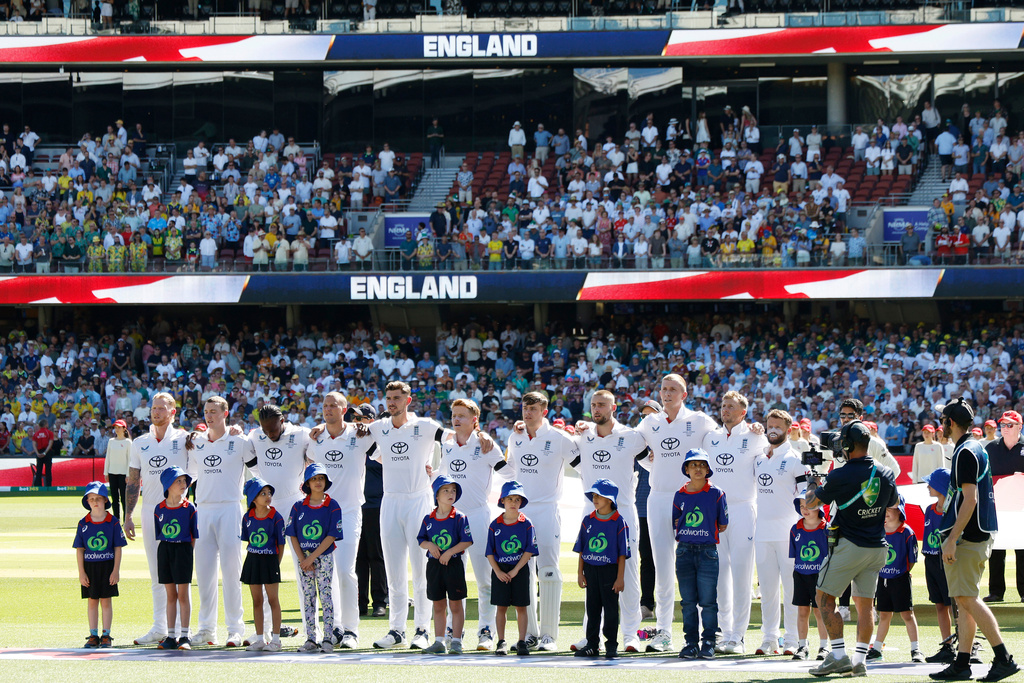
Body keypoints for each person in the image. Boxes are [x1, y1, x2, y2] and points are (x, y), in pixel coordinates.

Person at [931, 398, 1019, 682]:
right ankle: (963, 662)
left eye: (943, 420)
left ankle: (1003, 657)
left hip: (969, 535)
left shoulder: (965, 452)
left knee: (966, 598)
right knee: (965, 598)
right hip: (978, 534)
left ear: (951, 423)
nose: (941, 425)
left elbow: (970, 499)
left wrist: (952, 538)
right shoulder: (975, 448)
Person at [805, 419, 898, 678]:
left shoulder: (841, 473)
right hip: (877, 547)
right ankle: (859, 661)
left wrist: (812, 482)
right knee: (865, 604)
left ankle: (837, 656)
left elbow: (812, 504)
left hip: (849, 545)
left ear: (846, 444)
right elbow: (892, 502)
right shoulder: (885, 472)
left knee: (823, 597)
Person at [635, 373, 718, 653]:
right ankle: (664, 632)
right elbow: (630, 446)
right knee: (662, 566)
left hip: (691, 500)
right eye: (663, 389)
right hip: (658, 497)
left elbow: (722, 443)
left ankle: (711, 631)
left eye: (673, 389)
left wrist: (753, 429)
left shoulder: (699, 420)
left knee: (696, 566)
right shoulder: (650, 422)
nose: (667, 393)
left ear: (684, 394)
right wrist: (651, 464)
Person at [569, 390, 646, 653]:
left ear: (614, 407)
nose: (596, 409)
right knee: (593, 571)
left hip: (623, 511)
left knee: (630, 571)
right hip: (591, 511)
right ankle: (590, 636)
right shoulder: (583, 435)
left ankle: (631, 634)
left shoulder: (631, 436)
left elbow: (653, 461)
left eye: (602, 404)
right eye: (593, 405)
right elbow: (557, 439)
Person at [506, 390, 580, 651]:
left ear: (544, 411)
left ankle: (549, 635)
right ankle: (530, 634)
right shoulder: (515, 436)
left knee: (548, 571)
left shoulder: (559, 438)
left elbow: (584, 464)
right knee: (523, 572)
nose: (528, 413)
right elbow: (510, 471)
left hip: (547, 510)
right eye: (525, 408)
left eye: (534, 409)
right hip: (521, 513)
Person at [437, 398, 508, 651]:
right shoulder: (446, 445)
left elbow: (509, 473)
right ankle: (453, 631)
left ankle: (486, 630)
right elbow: (441, 475)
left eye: (462, 416)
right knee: (452, 578)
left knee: (485, 577)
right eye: (454, 415)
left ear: (474, 419)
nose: (456, 419)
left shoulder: (486, 445)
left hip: (478, 516)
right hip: (451, 519)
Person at [702, 390, 768, 655]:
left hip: (742, 509)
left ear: (743, 412)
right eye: (722, 405)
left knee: (742, 575)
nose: (724, 409)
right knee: (719, 576)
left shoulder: (755, 436)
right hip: (713, 512)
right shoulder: (711, 437)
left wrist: (760, 428)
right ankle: (725, 632)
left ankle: (738, 636)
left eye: (730, 406)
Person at [307, 391, 374, 649]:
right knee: (326, 573)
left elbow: (384, 450)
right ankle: (332, 628)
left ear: (344, 408)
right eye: (325, 405)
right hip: (321, 514)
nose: (328, 409)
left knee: (346, 571)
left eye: (334, 405)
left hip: (348, 511)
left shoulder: (360, 434)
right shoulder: (315, 438)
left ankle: (351, 630)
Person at [124, 393, 191, 646]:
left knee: (181, 575)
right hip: (150, 511)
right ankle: (160, 627)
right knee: (157, 572)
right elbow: (133, 481)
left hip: (178, 511)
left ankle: (183, 630)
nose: (156, 412)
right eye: (154, 408)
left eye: (162, 408)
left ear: (173, 412)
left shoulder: (185, 438)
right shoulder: (140, 442)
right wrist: (128, 515)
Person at [190, 396, 248, 648]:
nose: (209, 416)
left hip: (230, 509)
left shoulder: (239, 441)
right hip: (202, 510)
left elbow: (258, 470)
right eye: (206, 412)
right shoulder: (195, 443)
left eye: (214, 411)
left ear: (225, 413)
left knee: (232, 572)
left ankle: (235, 629)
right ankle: (206, 629)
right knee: (204, 573)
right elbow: (187, 476)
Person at [754, 409, 810, 656]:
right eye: (769, 425)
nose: (772, 429)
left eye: (778, 426)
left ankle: (792, 639)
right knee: (767, 590)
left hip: (789, 533)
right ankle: (769, 638)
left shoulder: (796, 459)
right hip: (762, 532)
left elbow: (807, 494)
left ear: (788, 429)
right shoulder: (758, 458)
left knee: (791, 589)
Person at [672, 448, 728, 660]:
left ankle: (708, 642)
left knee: (708, 601)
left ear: (708, 470)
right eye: (693, 465)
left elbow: (722, 524)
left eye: (702, 464)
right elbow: (676, 521)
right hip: (685, 551)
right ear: (686, 469)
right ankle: (690, 642)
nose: (698, 468)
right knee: (687, 601)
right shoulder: (679, 494)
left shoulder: (716, 493)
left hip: (707, 552)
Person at [287, 463, 342, 654]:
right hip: (303, 560)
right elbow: (292, 534)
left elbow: (331, 536)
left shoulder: (333, 505)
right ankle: (311, 638)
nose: (318, 482)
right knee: (308, 597)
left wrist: (312, 559)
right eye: (313, 479)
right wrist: (303, 559)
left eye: (321, 478)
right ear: (307, 483)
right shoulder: (298, 506)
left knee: (326, 596)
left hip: (324, 558)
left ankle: (328, 638)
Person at [417, 474, 474, 655]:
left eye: (453, 490)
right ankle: (439, 641)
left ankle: (456, 641)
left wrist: (449, 552)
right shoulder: (429, 519)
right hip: (434, 567)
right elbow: (421, 540)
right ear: (436, 495)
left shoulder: (459, 517)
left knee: (455, 605)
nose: (451, 494)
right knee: (438, 605)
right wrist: (430, 545)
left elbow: (467, 541)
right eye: (446, 490)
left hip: (454, 565)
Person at [573, 478, 629, 659]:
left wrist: (620, 578)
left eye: (600, 496)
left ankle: (611, 644)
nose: (595, 499)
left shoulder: (619, 522)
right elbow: (581, 549)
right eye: (594, 495)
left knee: (611, 609)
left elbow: (622, 554)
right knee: (592, 608)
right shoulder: (587, 520)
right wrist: (580, 572)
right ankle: (592, 645)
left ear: (610, 499)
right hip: (590, 570)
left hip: (609, 571)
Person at [486, 480, 538, 657]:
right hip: (500, 571)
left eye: (517, 499)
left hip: (519, 570)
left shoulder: (526, 524)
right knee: (501, 607)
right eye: (510, 499)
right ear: (502, 501)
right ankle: (501, 641)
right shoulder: (495, 525)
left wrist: (515, 570)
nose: (513, 503)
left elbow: (529, 550)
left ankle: (522, 641)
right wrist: (499, 572)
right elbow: (490, 552)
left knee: (521, 607)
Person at [868, 496, 923, 662]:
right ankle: (877, 649)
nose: (886, 512)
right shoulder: (879, 530)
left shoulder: (907, 532)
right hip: (882, 578)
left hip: (900, 579)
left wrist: (902, 572)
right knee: (884, 614)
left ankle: (916, 650)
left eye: (890, 508)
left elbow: (912, 559)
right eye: (884, 508)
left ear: (900, 511)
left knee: (907, 614)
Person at [74, 481, 127, 649]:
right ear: (87, 502)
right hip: (90, 567)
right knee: (92, 601)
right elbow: (80, 549)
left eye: (98, 498)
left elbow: (118, 547)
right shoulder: (83, 523)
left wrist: (116, 570)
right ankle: (93, 635)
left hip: (107, 566)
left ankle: (106, 635)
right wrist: (81, 572)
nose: (95, 502)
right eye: (91, 499)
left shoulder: (113, 522)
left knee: (106, 601)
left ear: (105, 500)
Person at [240, 477, 286, 653]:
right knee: (257, 600)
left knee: (273, 600)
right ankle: (260, 639)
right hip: (253, 560)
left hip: (270, 561)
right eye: (262, 493)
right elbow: (248, 540)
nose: (267, 496)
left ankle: (276, 640)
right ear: (253, 498)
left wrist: (276, 563)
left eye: (269, 493)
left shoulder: (276, 517)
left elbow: (281, 544)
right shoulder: (247, 517)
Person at [155, 466, 198, 651]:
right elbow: (159, 532)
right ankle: (171, 636)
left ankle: (185, 636)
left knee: (183, 595)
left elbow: (193, 535)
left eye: (184, 481)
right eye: (178, 481)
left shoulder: (190, 508)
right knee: (170, 595)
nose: (183, 484)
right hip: (165, 549)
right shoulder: (159, 508)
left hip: (183, 550)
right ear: (168, 485)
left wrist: (185, 554)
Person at [984, 410, 1024, 603]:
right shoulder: (991, 448)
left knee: (1023, 550)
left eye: (1010, 425)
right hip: (997, 508)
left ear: (1019, 427)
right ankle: (996, 591)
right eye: (1003, 425)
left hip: (1021, 510)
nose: (1005, 429)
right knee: (996, 551)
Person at [353, 404, 388, 619]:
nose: (356, 420)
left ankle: (379, 602)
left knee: (376, 555)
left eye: (360, 417)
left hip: (376, 504)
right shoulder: (352, 439)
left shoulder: (380, 439)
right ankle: (359, 602)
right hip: (355, 505)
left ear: (370, 419)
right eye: (354, 417)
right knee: (358, 557)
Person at [921, 468, 955, 664]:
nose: (927, 487)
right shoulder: (928, 510)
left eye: (931, 483)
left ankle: (966, 646)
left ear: (941, 487)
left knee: (954, 606)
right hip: (931, 561)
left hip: (947, 562)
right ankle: (947, 645)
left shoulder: (953, 511)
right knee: (939, 605)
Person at [789, 492, 829, 661]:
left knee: (820, 612)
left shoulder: (826, 528)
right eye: (802, 506)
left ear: (819, 507)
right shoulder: (795, 528)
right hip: (801, 575)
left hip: (820, 576)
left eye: (809, 506)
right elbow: (795, 554)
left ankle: (824, 647)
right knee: (802, 611)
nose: (805, 510)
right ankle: (802, 645)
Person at [103, 419, 131, 521]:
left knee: (124, 498)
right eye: (115, 427)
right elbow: (108, 457)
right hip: (112, 472)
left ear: (124, 429)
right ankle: (116, 519)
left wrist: (128, 474)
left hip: (123, 474)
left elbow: (130, 460)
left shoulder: (128, 442)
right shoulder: (111, 441)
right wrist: (106, 472)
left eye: (119, 427)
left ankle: (126, 519)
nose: (117, 430)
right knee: (114, 498)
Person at [30, 418, 57, 487]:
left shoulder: (36, 434)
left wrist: (37, 453)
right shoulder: (49, 433)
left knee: (39, 470)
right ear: (45, 424)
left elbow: (34, 444)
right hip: (47, 452)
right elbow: (50, 443)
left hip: (39, 452)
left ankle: (38, 487)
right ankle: (48, 486)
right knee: (48, 470)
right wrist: (45, 453)